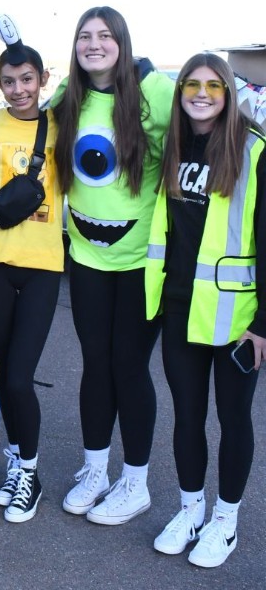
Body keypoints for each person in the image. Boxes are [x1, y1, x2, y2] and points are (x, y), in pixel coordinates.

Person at [52, 6, 174, 524]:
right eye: (85, 36)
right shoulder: (67, 96)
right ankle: (96, 467)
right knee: (94, 363)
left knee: (129, 366)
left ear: (123, 42)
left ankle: (136, 481)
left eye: (105, 35)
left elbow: (206, 135)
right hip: (84, 256)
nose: (94, 44)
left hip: (141, 262)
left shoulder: (155, 93)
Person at [145, 53, 266, 567]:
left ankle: (226, 522)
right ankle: (191, 509)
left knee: (232, 418)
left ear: (228, 92)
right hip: (178, 307)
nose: (200, 93)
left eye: (213, 85)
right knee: (187, 418)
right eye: (191, 84)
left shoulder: (254, 150)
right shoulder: (174, 146)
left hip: (236, 316)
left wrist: (263, 327)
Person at [0, 16, 63, 521]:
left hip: (43, 267)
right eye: (8, 81)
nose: (18, 89)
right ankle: (19, 462)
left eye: (27, 80)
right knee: (4, 372)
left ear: (42, 80)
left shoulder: (63, 128)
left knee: (20, 377)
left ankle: (30, 472)